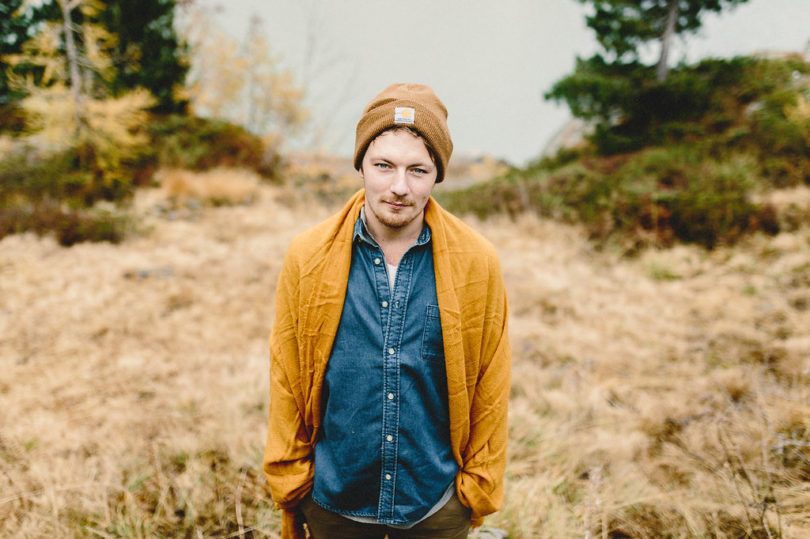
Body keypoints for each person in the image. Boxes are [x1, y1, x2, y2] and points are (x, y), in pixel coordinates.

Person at [263, 83, 511, 539]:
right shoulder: (308, 256)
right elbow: (287, 376)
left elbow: (491, 385)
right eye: (384, 166)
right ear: (360, 165)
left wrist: (474, 492)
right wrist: (293, 481)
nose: (399, 187)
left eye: (418, 170)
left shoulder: (477, 262)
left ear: (437, 176)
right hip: (333, 508)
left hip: (435, 510)